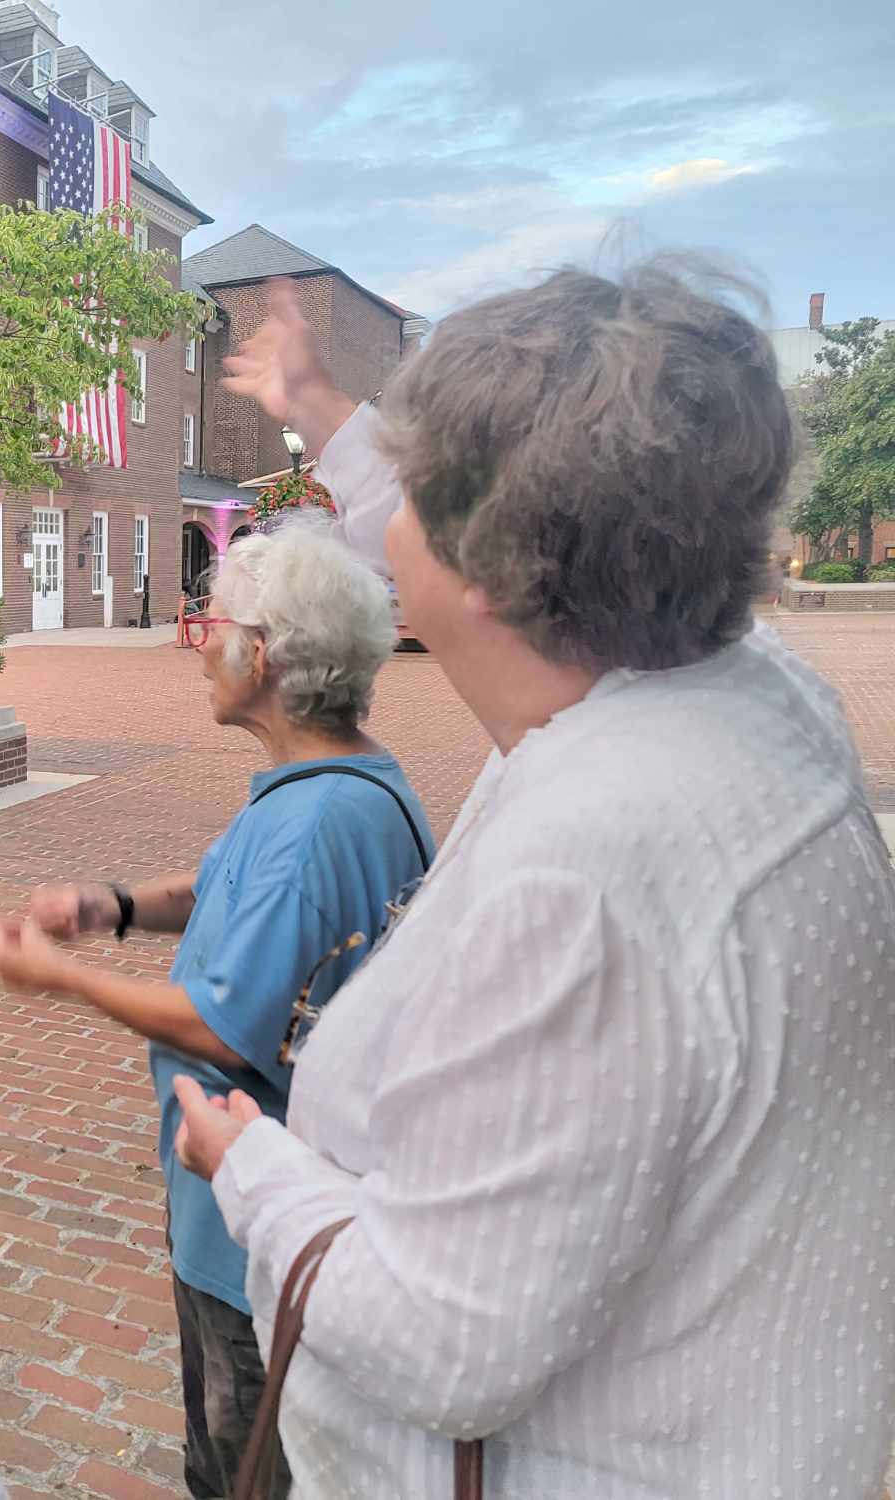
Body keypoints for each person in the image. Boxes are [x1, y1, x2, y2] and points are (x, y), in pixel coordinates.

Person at [174, 265, 895, 1497]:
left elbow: (447, 1342)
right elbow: (440, 515)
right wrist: (314, 407)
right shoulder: (746, 689)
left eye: (413, 484)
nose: (379, 512)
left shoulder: (594, 869)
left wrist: (250, 1168)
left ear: (488, 569)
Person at [0, 524, 432, 1499]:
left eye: (213, 628)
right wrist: (113, 906)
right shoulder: (341, 785)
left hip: (254, 1243)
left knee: (235, 1473)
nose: (202, 651)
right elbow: (233, 880)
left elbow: (221, 1026)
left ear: (261, 653)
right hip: (261, 1211)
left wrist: (60, 976)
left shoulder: (317, 821)